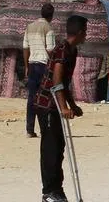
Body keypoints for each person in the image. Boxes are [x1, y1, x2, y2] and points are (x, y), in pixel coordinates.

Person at [34, 14, 87, 202]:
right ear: (80, 32)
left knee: (59, 147)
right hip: (47, 104)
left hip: (56, 104)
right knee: (51, 147)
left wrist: (72, 105)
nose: (86, 35)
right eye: (85, 32)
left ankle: (57, 188)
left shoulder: (72, 50)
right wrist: (64, 107)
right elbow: (56, 80)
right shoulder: (62, 50)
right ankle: (49, 191)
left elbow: (65, 82)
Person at [23, 2, 56, 138]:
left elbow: (25, 48)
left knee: (31, 98)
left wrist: (26, 66)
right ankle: (45, 129)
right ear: (51, 16)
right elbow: (50, 50)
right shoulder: (48, 28)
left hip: (32, 64)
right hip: (44, 66)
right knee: (45, 98)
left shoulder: (30, 27)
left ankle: (30, 130)